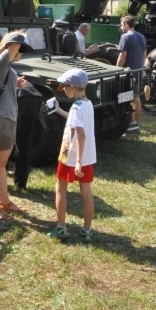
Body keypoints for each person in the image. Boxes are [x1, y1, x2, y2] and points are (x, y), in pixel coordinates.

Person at [0, 31, 33, 222]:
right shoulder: (1, 61)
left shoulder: (6, 66)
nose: (21, 51)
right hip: (0, 120)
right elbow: (12, 46)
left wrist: (16, 83)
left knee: (1, 165)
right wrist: (18, 37)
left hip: (8, 119)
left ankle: (4, 202)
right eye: (20, 48)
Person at [47, 68, 96, 241]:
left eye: (64, 87)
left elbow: (80, 134)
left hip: (70, 156)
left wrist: (78, 162)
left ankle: (61, 227)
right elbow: (77, 123)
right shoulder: (87, 104)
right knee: (86, 192)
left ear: (73, 87)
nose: (62, 89)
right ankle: (87, 230)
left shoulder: (76, 107)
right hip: (87, 156)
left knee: (60, 188)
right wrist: (59, 110)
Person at [115, 15, 147, 132]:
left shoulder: (125, 37)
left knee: (126, 98)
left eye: (122, 24)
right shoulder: (142, 37)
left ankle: (131, 122)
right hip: (138, 71)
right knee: (136, 97)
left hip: (128, 73)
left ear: (127, 25)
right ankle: (135, 122)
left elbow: (122, 56)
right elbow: (144, 55)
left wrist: (116, 69)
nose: (121, 27)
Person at [13, 81, 43, 190]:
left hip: (19, 97)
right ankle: (21, 183)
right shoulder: (10, 71)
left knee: (5, 141)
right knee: (25, 142)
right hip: (34, 96)